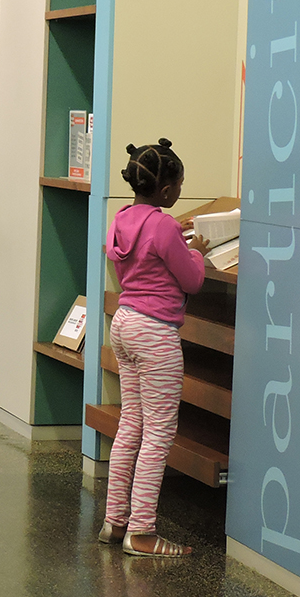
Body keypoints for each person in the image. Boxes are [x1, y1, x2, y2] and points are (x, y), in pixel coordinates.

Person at [98, 139, 208, 557]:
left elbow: (125, 255)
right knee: (159, 432)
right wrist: (193, 252)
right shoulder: (163, 225)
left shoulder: (121, 218)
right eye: (179, 186)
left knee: (131, 424)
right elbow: (192, 282)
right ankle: (142, 531)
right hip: (155, 332)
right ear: (165, 192)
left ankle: (115, 521)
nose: (180, 193)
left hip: (124, 325)